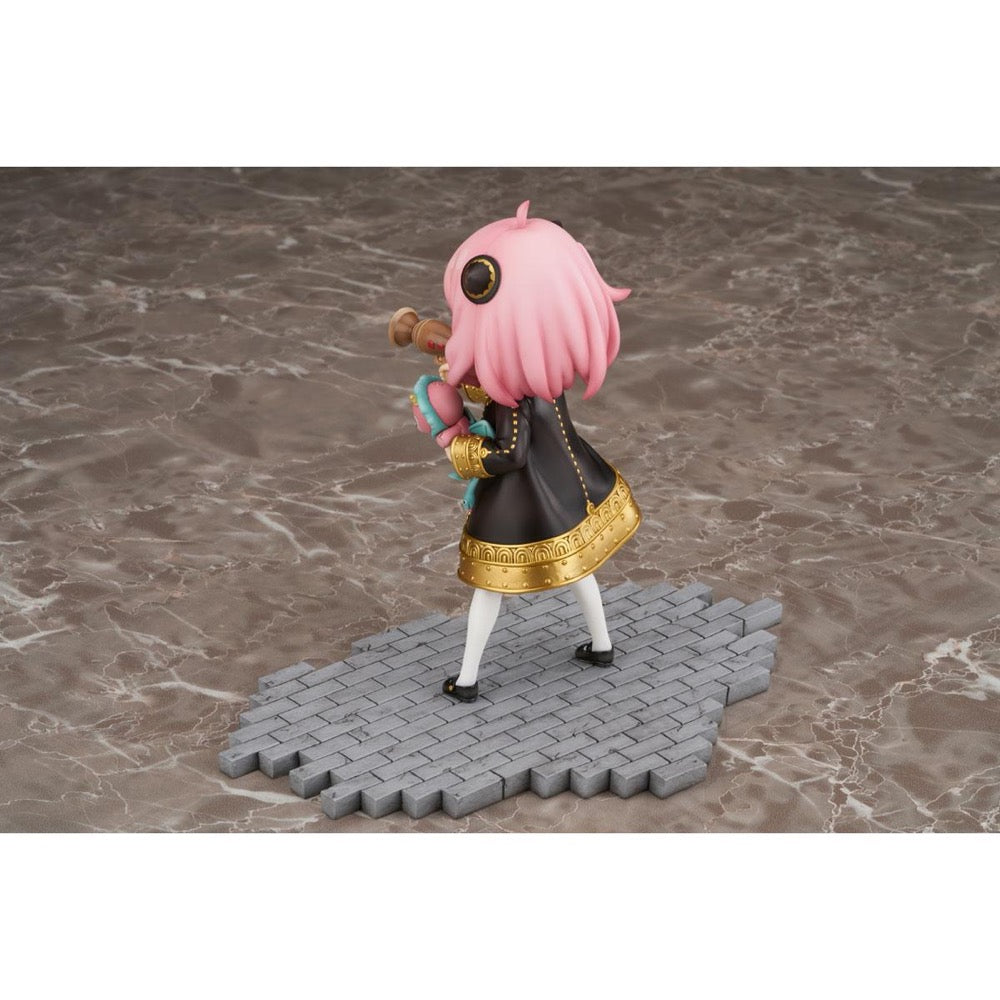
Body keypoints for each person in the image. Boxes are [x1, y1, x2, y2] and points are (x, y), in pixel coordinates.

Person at [418, 200, 640, 702]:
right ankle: (602, 644)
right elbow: (498, 381)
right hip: (568, 482)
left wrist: (462, 451)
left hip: (523, 497)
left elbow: (512, 454)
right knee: (580, 569)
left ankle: (468, 679)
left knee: (489, 588)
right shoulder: (543, 372)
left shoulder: (514, 397)